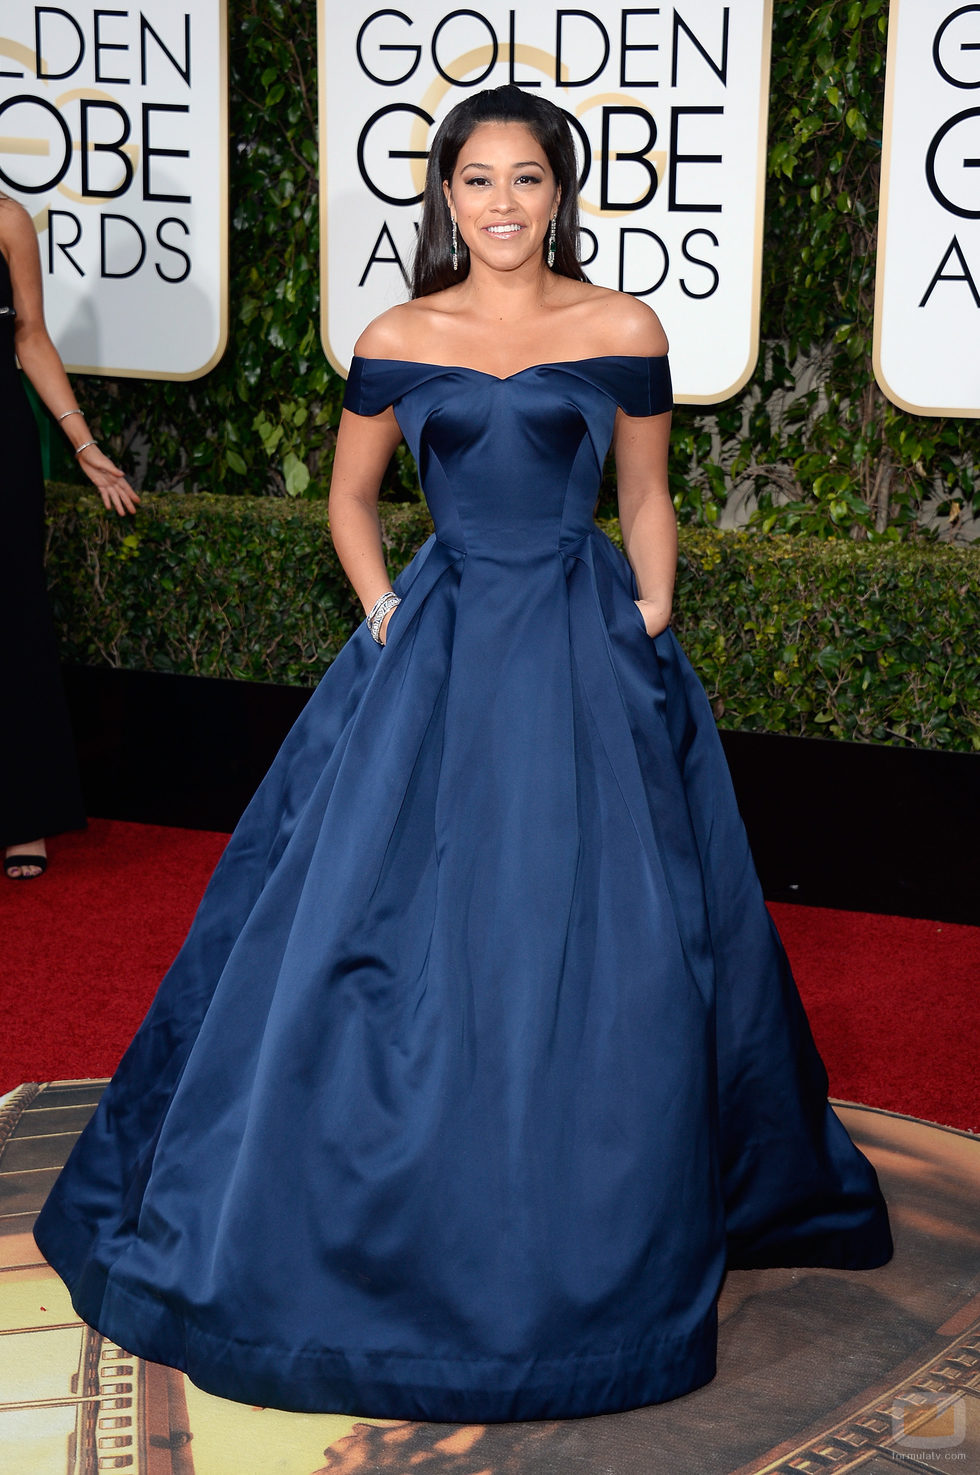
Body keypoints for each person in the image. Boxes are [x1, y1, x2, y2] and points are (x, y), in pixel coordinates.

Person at [33, 87, 891, 1422]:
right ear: (445, 197)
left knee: (602, 930)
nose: (502, 201)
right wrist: (381, 607)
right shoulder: (397, 333)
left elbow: (649, 494)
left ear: (562, 192)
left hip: (580, 646)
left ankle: (590, 1211)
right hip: (435, 646)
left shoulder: (622, 327)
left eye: (528, 178)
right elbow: (349, 492)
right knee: (368, 928)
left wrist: (650, 616)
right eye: (478, 179)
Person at [0, 194, 138, 879]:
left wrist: (81, 443)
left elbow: (29, 335)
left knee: (13, 615)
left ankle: (23, 813)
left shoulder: (5, 220)